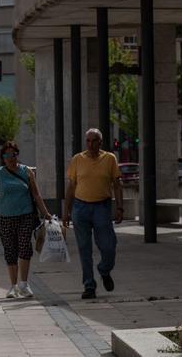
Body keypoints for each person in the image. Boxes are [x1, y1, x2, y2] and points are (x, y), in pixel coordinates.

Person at [0, 141, 51, 299]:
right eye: (6, 155)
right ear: (3, 157)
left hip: (25, 216)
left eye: (13, 155)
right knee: (10, 250)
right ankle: (13, 286)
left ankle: (24, 285)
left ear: (17, 155)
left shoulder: (27, 172)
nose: (10, 158)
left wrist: (45, 213)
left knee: (25, 247)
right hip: (5, 217)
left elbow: (36, 194)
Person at [63, 128, 124, 300]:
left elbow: (117, 185)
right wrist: (66, 211)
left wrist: (119, 208)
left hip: (102, 208)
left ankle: (104, 270)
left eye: (94, 140)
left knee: (108, 246)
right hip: (80, 208)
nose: (90, 144)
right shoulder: (77, 159)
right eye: (88, 141)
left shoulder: (110, 159)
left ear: (101, 142)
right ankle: (89, 285)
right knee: (84, 249)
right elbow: (71, 187)